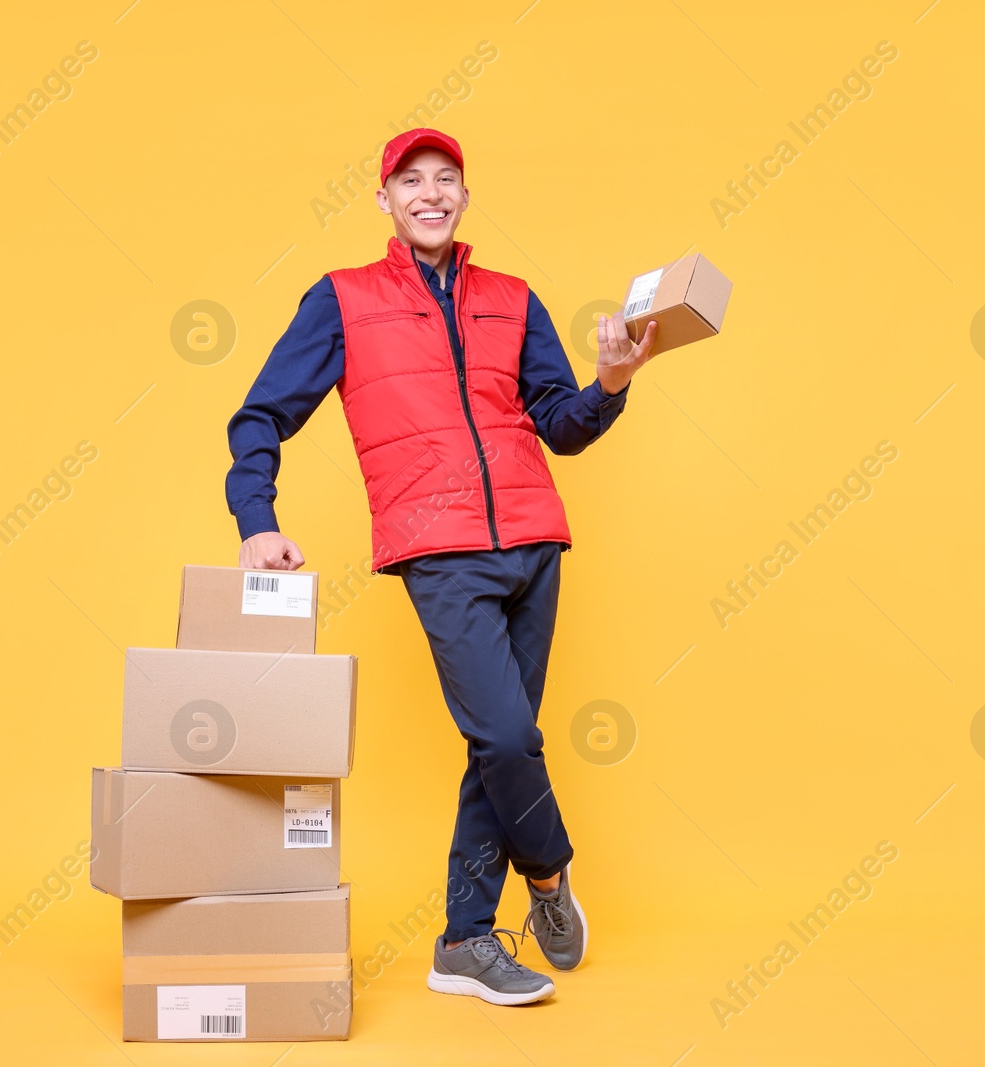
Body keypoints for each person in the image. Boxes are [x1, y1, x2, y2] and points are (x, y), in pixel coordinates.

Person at [224, 128, 660, 1005]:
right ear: (383, 199)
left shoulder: (513, 296)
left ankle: (464, 941)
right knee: (506, 736)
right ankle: (547, 872)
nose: (431, 192)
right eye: (411, 180)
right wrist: (257, 518)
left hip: (535, 540)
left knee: (494, 750)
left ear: (464, 195)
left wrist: (610, 384)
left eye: (447, 179)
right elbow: (260, 414)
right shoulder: (342, 299)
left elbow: (560, 425)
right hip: (438, 548)